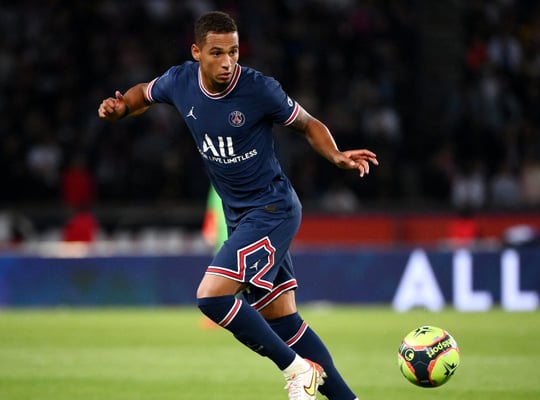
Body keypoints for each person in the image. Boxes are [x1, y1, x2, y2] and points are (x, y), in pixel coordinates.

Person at [98, 11, 378, 400]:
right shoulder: (179, 81)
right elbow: (144, 93)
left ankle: (298, 370)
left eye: (233, 51)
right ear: (197, 52)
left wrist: (336, 155)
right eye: (217, 53)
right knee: (283, 321)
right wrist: (122, 108)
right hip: (240, 215)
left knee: (211, 296)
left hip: (271, 209)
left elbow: (308, 122)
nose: (228, 61)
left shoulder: (259, 89)